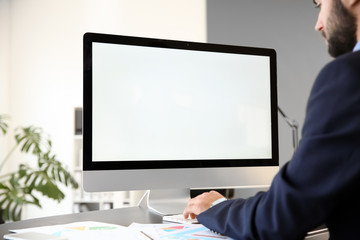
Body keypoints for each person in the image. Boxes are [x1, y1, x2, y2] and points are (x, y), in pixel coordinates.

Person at [183, 0, 360, 239]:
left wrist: (216, 209)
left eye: (320, 5)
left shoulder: (349, 75)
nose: (318, 25)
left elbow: (280, 218)